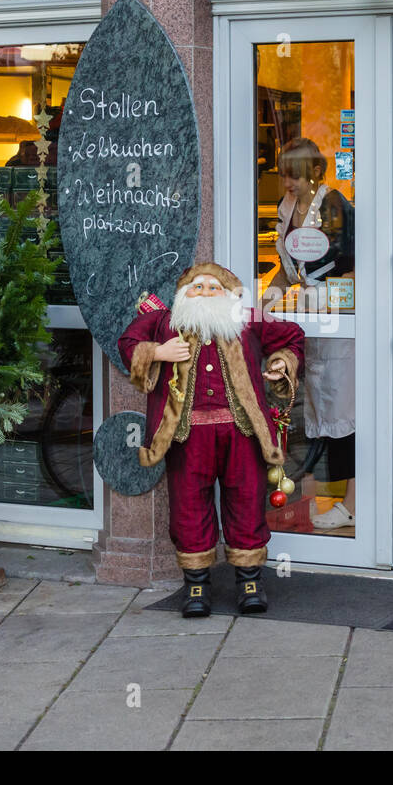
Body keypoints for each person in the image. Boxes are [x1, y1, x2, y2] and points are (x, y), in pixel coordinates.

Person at [118, 263, 304, 616]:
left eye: (213, 288)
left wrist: (281, 363)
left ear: (230, 294)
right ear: (181, 295)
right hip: (186, 437)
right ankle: (196, 585)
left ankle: (249, 580)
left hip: (242, 434)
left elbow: (292, 335)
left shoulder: (246, 320)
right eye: (196, 287)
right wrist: (157, 353)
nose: (204, 292)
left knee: (247, 500)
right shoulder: (163, 322)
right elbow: (127, 342)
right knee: (188, 506)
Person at [270, 137, 357, 530]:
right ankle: (320, 496)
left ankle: (352, 502)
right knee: (318, 409)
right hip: (311, 321)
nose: (287, 182)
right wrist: (271, 293)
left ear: (315, 173)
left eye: (294, 174)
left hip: (341, 322)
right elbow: (290, 270)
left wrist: (337, 300)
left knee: (345, 411)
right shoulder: (286, 209)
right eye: (284, 173)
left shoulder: (335, 205)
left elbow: (357, 264)